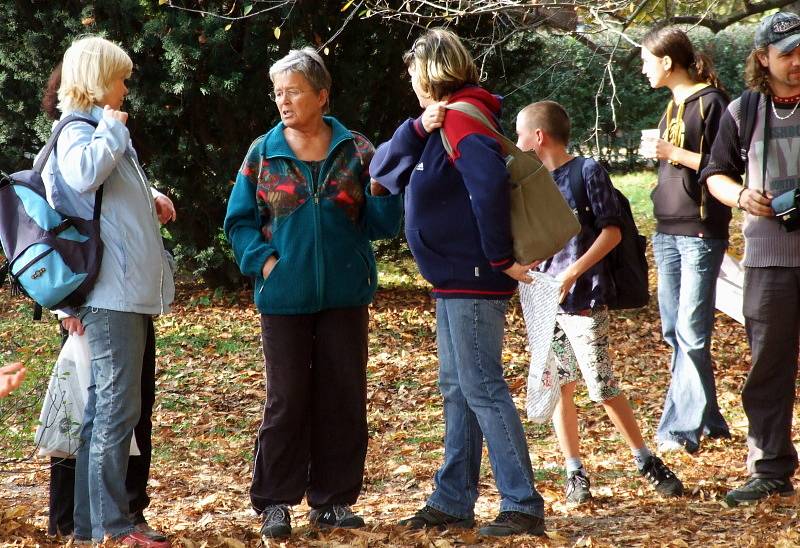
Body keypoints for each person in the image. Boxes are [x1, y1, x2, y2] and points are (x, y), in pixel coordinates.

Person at [370, 29, 546, 537]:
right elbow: (380, 172)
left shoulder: (466, 119)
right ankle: (453, 498)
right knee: (458, 387)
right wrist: (416, 127)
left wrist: (499, 258)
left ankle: (522, 503)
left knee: (482, 386)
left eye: (413, 75)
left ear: (431, 72)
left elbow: (489, 184)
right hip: (452, 279)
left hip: (473, 276)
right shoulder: (440, 121)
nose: (410, 83)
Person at [224, 47, 402, 541]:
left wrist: (387, 193)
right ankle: (275, 502)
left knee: (342, 396)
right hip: (283, 297)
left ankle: (333, 500)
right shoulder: (263, 152)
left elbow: (380, 224)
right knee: (287, 399)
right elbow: (239, 222)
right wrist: (264, 262)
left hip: (345, 295)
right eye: (278, 92)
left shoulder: (358, 150)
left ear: (322, 95)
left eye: (294, 91)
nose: (283, 100)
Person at [41, 36, 175, 546]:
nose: (125, 89)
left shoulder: (96, 131)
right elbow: (80, 174)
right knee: (117, 412)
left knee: (105, 412)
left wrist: (151, 194)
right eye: (120, 79)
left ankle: (89, 527)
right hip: (109, 296)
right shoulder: (82, 130)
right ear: (98, 80)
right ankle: (114, 527)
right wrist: (113, 134)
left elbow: (103, 195)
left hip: (123, 293)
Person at [515, 101, 684, 504]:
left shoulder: (587, 172)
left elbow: (612, 233)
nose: (517, 142)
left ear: (539, 136)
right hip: (545, 304)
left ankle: (646, 461)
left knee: (601, 384)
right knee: (560, 386)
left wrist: (572, 273)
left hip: (584, 299)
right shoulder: (532, 181)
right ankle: (575, 472)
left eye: (521, 134)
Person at [701, 11, 800, 505]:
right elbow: (713, 174)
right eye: (787, 53)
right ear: (763, 58)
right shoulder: (744, 110)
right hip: (768, 257)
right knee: (769, 367)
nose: (797, 61)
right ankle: (770, 468)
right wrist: (743, 197)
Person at [640, 27, 732, 454]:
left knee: (692, 333)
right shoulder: (670, 107)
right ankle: (710, 417)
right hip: (667, 231)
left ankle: (680, 430)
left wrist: (672, 153)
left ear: (666, 62)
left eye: (646, 61)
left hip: (700, 232)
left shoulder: (711, 104)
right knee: (675, 331)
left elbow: (725, 167)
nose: (643, 70)